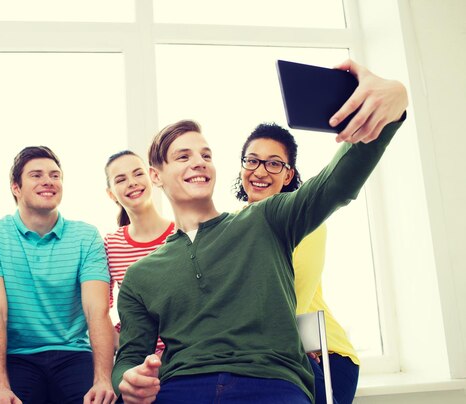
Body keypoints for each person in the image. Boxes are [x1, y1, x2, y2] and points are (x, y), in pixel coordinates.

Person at [111, 60, 408, 403]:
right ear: (157, 176)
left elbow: (335, 185)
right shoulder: (140, 276)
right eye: (183, 156)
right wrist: (127, 378)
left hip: (272, 384)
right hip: (182, 388)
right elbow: (130, 357)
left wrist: (393, 103)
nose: (199, 161)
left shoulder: (265, 219)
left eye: (206, 154)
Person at [0, 146, 116, 404]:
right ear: (15, 187)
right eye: (36, 175)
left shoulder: (86, 236)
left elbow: (97, 311)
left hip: (73, 353)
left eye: (55, 175)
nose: (48, 181)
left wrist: (103, 380)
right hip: (16, 356)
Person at [233, 122, 360, 404]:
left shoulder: (307, 221)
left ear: (288, 174)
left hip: (324, 353)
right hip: (273, 349)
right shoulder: (231, 224)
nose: (260, 171)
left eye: (274, 164)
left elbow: (294, 297)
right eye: (252, 160)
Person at [103, 150, 175, 355]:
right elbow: (101, 309)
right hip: (136, 357)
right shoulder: (110, 243)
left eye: (137, 173)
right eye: (121, 179)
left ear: (152, 176)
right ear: (111, 194)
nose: (132, 182)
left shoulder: (181, 232)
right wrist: (121, 344)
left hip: (181, 355)